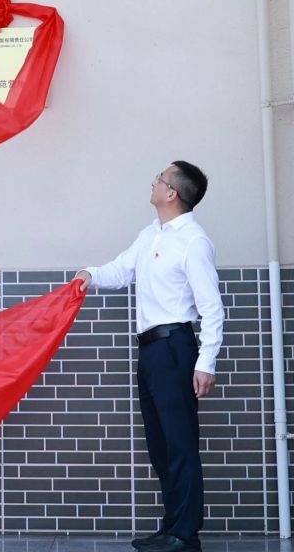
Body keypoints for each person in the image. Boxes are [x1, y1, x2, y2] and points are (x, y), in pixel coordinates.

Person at [75, 161, 224, 552]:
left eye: (160, 178)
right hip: (151, 351)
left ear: (172, 193)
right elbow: (121, 270)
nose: (154, 182)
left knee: (180, 443)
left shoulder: (193, 241)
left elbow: (212, 307)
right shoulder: (151, 234)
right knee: (161, 445)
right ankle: (171, 527)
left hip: (176, 348)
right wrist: (90, 275)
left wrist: (206, 362)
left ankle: (185, 535)